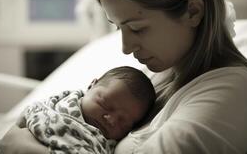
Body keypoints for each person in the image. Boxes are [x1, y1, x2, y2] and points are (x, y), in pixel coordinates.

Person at [0, 0, 247, 153]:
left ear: (193, 11)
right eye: (118, 28)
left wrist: (18, 145)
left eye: (137, 28)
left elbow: (11, 140)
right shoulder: (159, 72)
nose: (125, 47)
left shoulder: (232, 93)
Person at [15, 66, 155, 154]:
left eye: (123, 121)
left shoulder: (104, 144)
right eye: (104, 104)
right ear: (91, 86)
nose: (111, 120)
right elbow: (31, 112)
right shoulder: (59, 102)